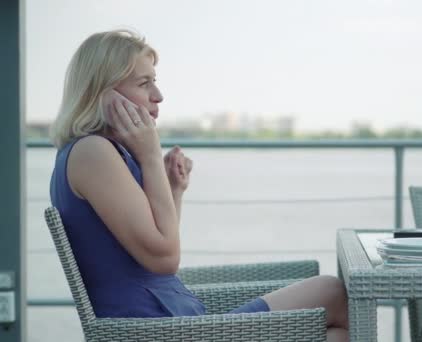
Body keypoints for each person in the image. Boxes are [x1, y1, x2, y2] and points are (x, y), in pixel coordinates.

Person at [49, 29, 349, 341]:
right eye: (143, 83)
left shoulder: (105, 152)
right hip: (160, 331)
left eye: (155, 80)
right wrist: (151, 154)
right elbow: (164, 259)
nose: (158, 95)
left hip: (177, 321)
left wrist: (172, 189)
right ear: (104, 93)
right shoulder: (93, 153)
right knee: (332, 292)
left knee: (334, 333)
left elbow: (154, 248)